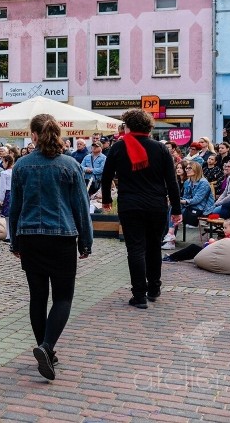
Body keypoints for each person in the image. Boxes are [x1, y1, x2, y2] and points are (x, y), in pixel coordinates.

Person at [9, 115, 92, 381]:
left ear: (33, 135)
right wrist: (86, 240)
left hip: (31, 237)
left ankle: (47, 350)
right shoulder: (70, 165)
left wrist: (15, 240)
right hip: (62, 237)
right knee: (63, 297)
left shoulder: (21, 165)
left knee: (37, 296)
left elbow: (15, 208)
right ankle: (46, 347)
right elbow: (81, 206)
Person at [101, 109, 181, 310]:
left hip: (130, 204)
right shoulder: (161, 149)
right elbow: (172, 182)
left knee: (135, 248)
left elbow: (106, 176)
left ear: (128, 126)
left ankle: (139, 295)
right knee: (153, 246)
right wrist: (177, 209)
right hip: (156, 204)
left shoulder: (118, 148)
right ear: (148, 127)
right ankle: (154, 288)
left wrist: (106, 200)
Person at [164, 218, 230, 262]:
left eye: (225, 228)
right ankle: (173, 257)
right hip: (215, 254)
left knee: (193, 248)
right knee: (195, 249)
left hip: (217, 256)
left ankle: (172, 257)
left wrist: (213, 242)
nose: (223, 230)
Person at [180, 162, 215, 227]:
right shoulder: (187, 182)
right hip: (190, 206)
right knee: (173, 207)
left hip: (202, 208)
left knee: (176, 211)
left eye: (190, 168)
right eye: (186, 168)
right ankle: (170, 231)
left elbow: (197, 200)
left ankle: (171, 231)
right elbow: (185, 196)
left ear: (197, 170)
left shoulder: (203, 183)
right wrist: (180, 200)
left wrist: (183, 201)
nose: (187, 170)